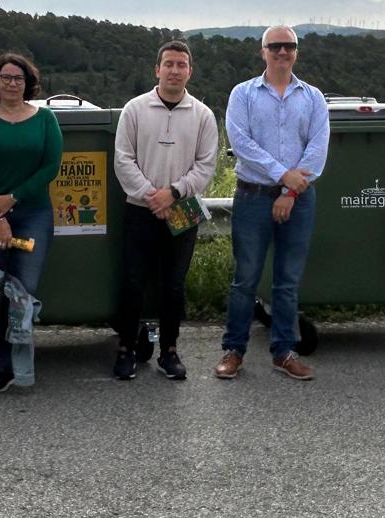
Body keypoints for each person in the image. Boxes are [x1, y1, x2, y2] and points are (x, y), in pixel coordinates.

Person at [217, 26, 328, 381]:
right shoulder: (243, 94)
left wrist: (290, 192)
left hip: (299, 200)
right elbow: (241, 142)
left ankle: (284, 351)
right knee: (245, 279)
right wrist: (284, 177)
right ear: (263, 51)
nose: (283, 52)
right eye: (275, 46)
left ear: (296, 52)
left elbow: (317, 149)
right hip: (252, 196)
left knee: (287, 281)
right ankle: (234, 350)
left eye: (289, 46)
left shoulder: (312, 97)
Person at [111, 40, 218, 381]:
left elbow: (206, 166)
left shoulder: (202, 115)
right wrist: (150, 195)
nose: (174, 70)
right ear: (157, 69)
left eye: (181, 64)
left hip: (182, 209)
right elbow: (123, 160)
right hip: (140, 208)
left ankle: (169, 351)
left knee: (174, 285)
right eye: (168, 64)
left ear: (190, 71)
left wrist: (172, 193)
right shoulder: (135, 109)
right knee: (133, 282)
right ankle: (126, 349)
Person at [0, 52, 63, 394]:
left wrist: (14, 198)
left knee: (21, 287)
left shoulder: (46, 119)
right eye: (5, 77)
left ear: (28, 83)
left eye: (17, 78)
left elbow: (50, 166)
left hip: (33, 212)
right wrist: (0, 216)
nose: (11, 83)